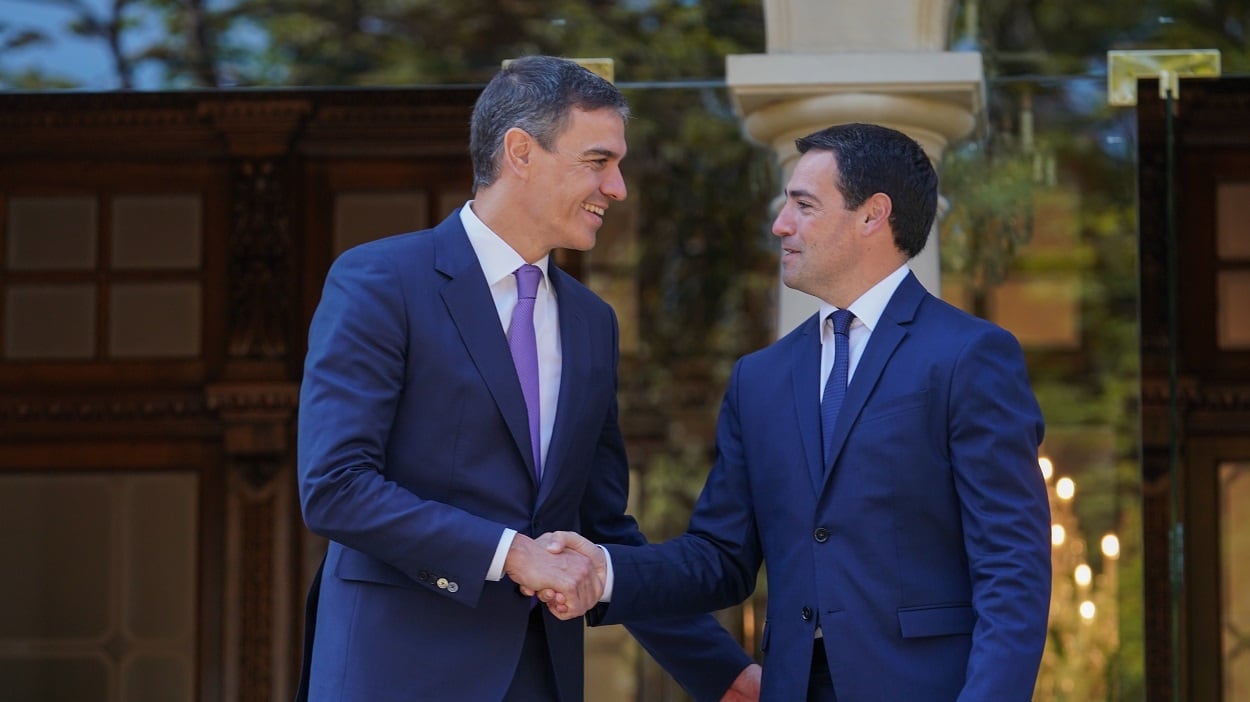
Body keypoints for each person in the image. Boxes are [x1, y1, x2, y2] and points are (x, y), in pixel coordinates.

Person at [294, 55, 760, 702]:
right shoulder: (380, 282)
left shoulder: (592, 323)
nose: (617, 187)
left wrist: (725, 672)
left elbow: (597, 528)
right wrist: (513, 554)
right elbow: (336, 487)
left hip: (539, 677)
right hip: (394, 672)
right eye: (598, 162)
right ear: (520, 152)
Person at [536, 122, 1052, 701]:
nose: (781, 224)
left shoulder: (969, 356)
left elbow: (1012, 572)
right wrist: (606, 571)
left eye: (803, 205)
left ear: (872, 215)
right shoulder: (760, 378)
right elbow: (720, 558)